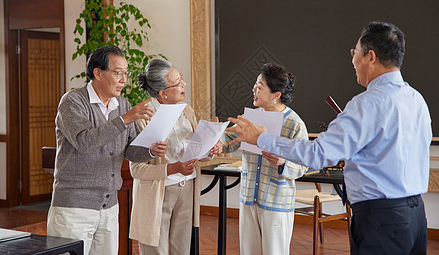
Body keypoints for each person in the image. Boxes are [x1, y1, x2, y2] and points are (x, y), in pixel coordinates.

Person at [226, 21, 432, 255]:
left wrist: (262, 138)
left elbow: (317, 154)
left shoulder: (366, 104)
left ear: (370, 57)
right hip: (415, 215)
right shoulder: (417, 100)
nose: (353, 61)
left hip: (382, 219)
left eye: (355, 53)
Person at [47, 45, 159, 255]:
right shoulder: (72, 101)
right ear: (97, 73)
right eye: (118, 73)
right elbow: (84, 141)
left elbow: (131, 151)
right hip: (74, 208)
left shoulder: (123, 105)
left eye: (126, 73)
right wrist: (125, 119)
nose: (124, 79)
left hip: (109, 208)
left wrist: (152, 150)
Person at [129, 58, 221, 255]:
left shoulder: (186, 111)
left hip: (188, 187)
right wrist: (173, 168)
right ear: (162, 93)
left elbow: (195, 153)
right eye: (178, 82)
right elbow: (136, 169)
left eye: (181, 80)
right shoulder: (143, 116)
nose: (183, 85)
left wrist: (210, 147)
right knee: (156, 250)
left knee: (181, 250)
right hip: (158, 191)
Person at [220, 63, 308, 255]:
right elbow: (228, 139)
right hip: (248, 196)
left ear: (276, 95)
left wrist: (283, 162)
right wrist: (217, 140)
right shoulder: (250, 117)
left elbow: (303, 164)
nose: (254, 89)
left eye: (260, 86)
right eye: (255, 84)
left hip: (276, 201)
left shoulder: (295, 124)